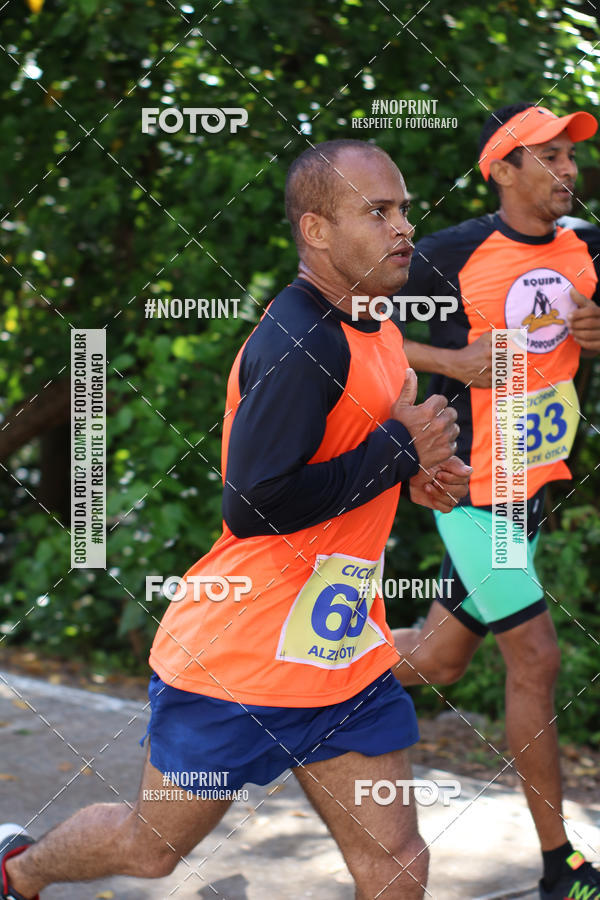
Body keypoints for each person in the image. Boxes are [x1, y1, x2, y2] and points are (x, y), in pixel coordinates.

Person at [1, 138, 471, 900]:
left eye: (405, 210)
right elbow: (254, 504)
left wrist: (420, 472)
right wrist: (398, 447)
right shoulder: (299, 341)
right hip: (240, 660)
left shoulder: (376, 325)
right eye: (377, 212)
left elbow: (358, 457)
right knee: (149, 850)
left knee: (397, 862)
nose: (403, 228)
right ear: (316, 230)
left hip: (340, 655)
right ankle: (18, 871)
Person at [392, 103, 600, 900]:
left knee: (441, 658)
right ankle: (561, 868)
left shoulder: (586, 248)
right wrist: (454, 359)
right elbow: (349, 322)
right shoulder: (448, 255)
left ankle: (290, 669)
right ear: (503, 169)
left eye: (570, 158)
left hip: (537, 487)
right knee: (537, 660)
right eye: (547, 157)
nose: (567, 171)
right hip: (475, 491)